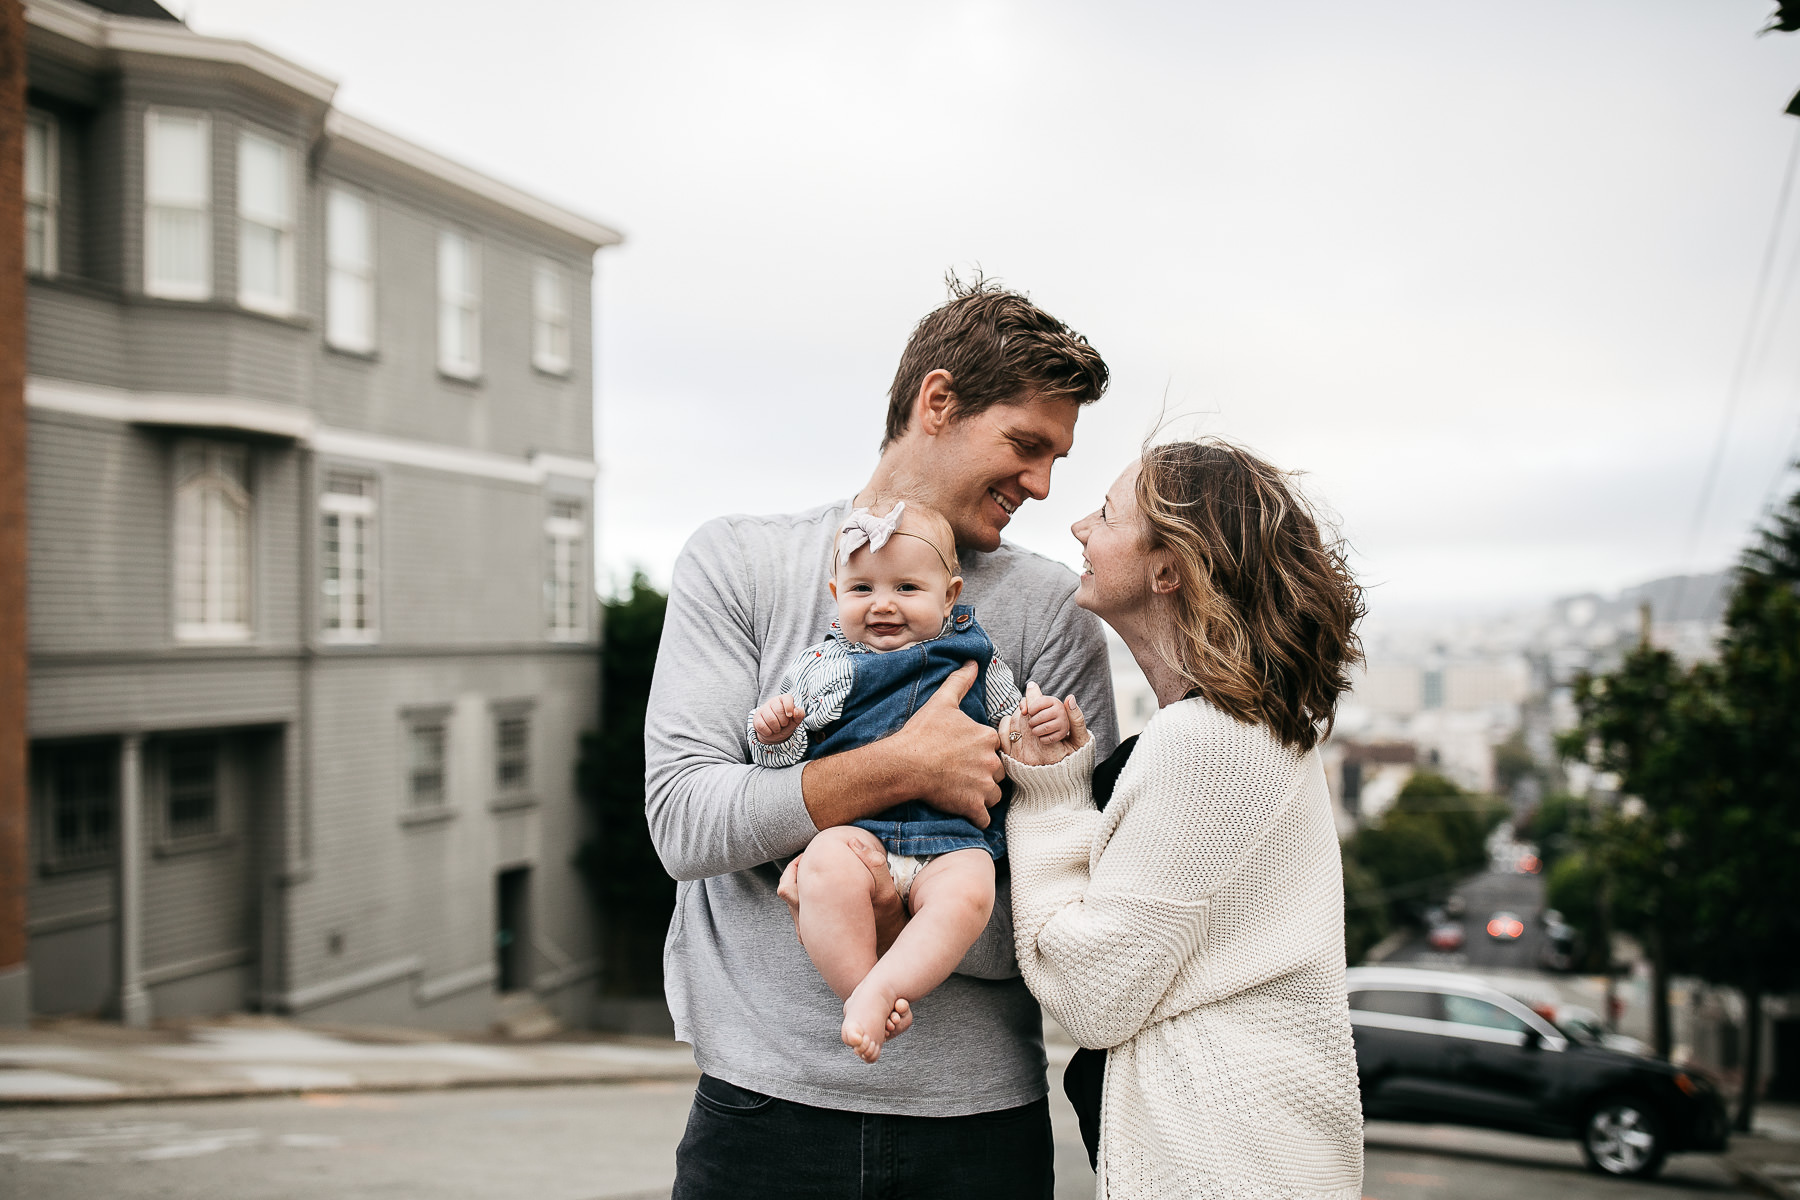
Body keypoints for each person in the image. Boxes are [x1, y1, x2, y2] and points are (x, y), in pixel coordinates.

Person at [645, 278, 1118, 1199]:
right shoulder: (738, 561)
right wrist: (903, 766)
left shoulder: (1054, 610)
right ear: (937, 403)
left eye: (1058, 458)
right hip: (761, 1112)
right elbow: (686, 823)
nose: (1042, 485)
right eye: (1026, 445)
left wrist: (889, 897)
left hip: (977, 1129)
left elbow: (1067, 894)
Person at [999, 439, 1368, 1199]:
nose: (1078, 528)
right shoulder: (1246, 727)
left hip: (1222, 1166)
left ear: (1169, 567)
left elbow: (1090, 992)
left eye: (1105, 514)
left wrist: (1048, 795)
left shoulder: (1210, 742)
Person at [748, 500, 1072, 1063]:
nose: (882, 605)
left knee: (972, 890)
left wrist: (1038, 725)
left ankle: (883, 987)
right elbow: (780, 766)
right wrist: (778, 736)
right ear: (834, 596)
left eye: (905, 588)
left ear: (950, 595)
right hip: (860, 833)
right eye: (861, 590)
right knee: (822, 867)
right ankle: (861, 990)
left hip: (950, 840)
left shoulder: (976, 657)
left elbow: (1006, 728)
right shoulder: (826, 666)